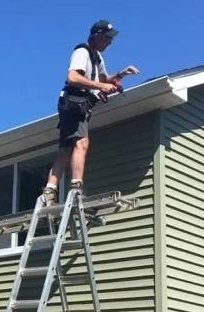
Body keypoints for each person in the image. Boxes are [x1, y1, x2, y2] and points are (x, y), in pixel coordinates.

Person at [43, 20, 139, 203]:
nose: (110, 42)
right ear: (97, 35)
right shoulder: (82, 52)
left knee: (66, 148)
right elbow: (73, 77)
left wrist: (121, 74)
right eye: (108, 38)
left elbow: (104, 80)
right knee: (82, 143)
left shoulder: (98, 58)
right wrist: (100, 86)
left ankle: (50, 189)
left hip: (76, 104)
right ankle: (76, 188)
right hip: (74, 101)